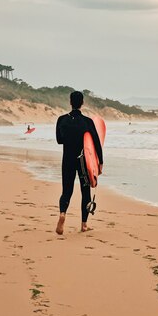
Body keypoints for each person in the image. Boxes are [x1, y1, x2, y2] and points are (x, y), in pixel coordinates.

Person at [55, 91, 103, 234]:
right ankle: (84, 224)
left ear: (70, 102)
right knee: (85, 192)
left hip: (67, 159)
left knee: (66, 191)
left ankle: (62, 214)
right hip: (83, 161)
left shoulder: (62, 119)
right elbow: (96, 143)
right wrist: (100, 162)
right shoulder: (87, 122)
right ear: (82, 103)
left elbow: (59, 140)